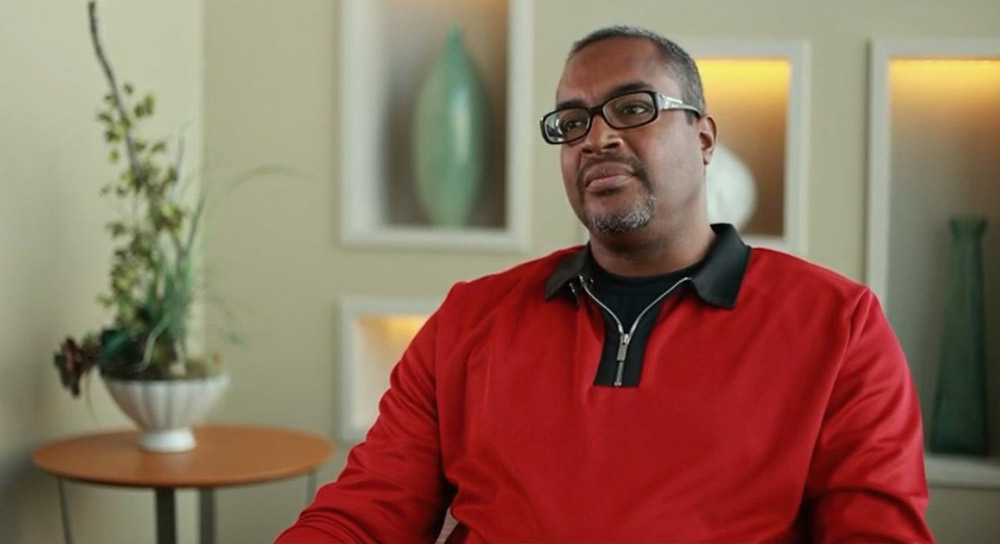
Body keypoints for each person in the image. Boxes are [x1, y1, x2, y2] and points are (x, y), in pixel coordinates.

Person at [276, 25, 933, 543]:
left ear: (703, 136)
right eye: (573, 122)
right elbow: (364, 515)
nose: (597, 138)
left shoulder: (839, 324)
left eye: (631, 107)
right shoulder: (471, 317)